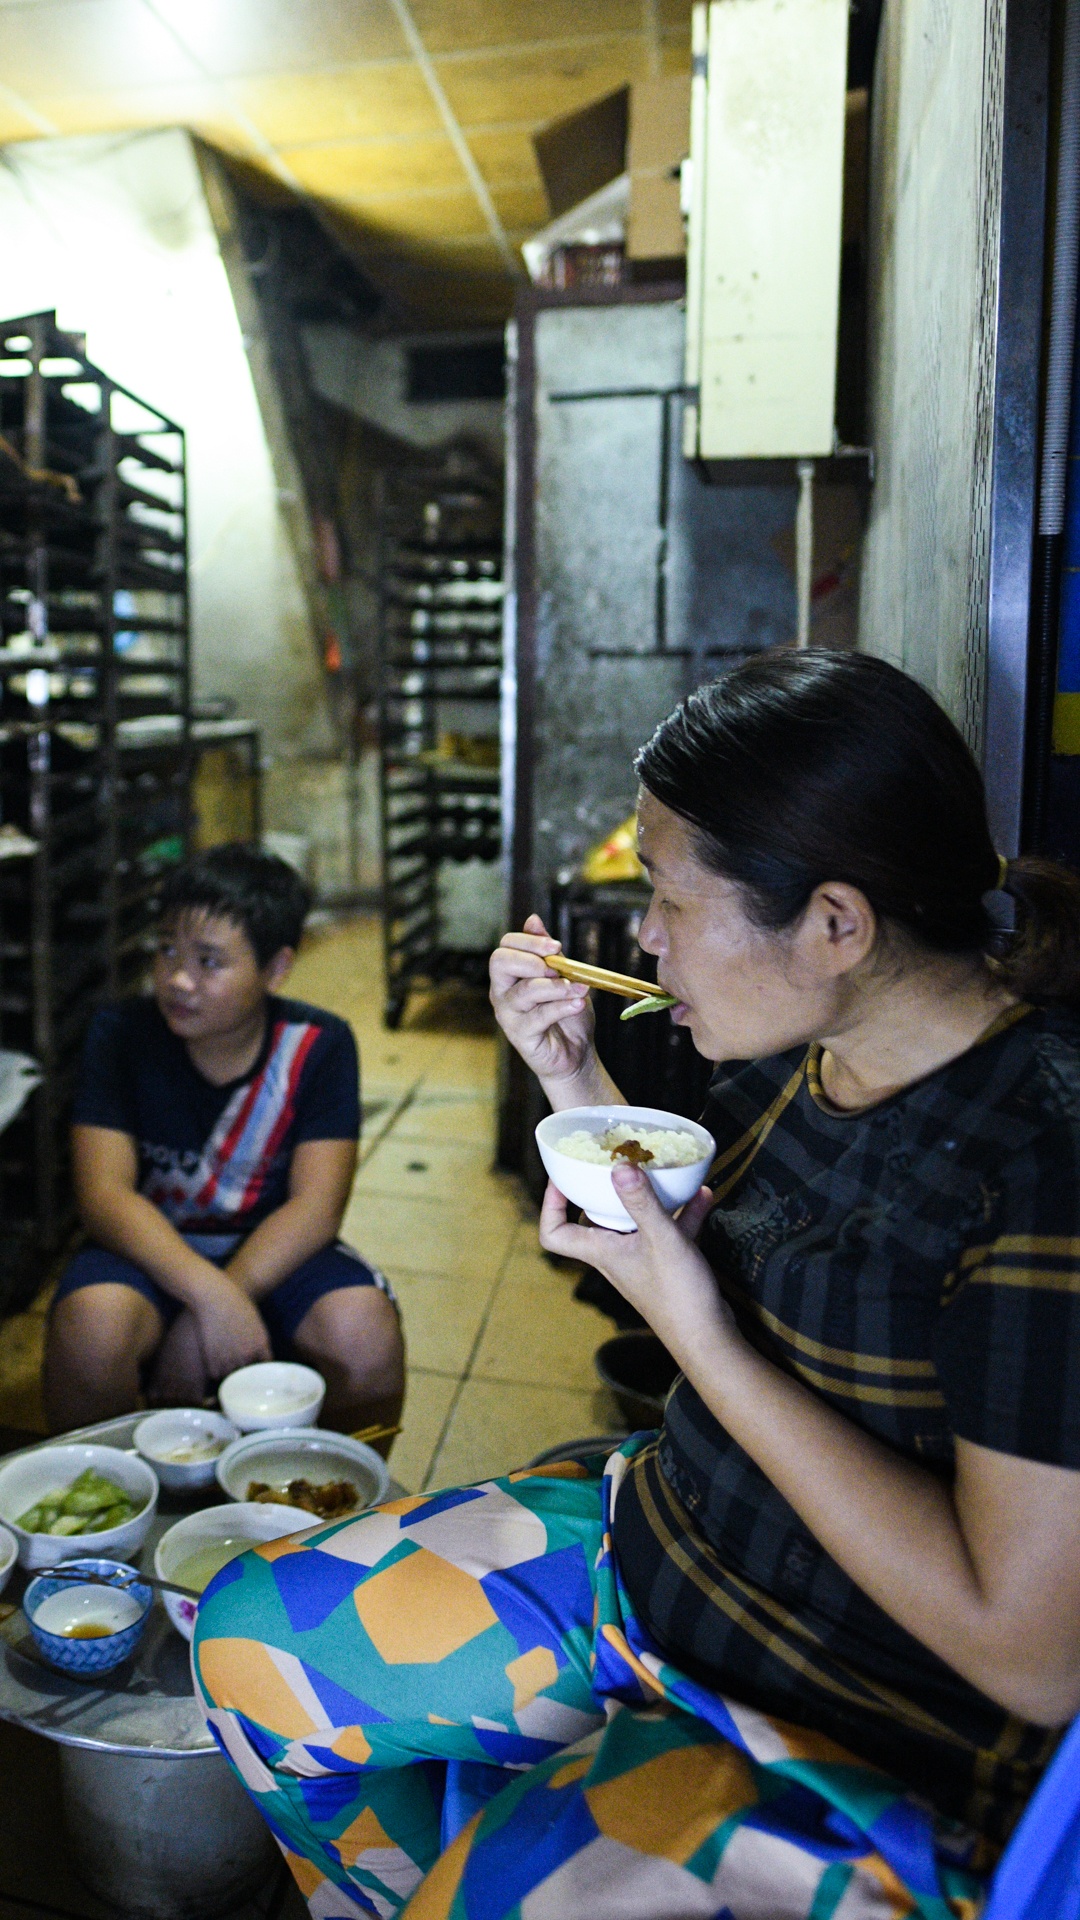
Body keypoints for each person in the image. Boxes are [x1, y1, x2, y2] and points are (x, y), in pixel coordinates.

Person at [192, 655, 1080, 1920]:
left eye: (665, 895)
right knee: (246, 1643)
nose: (646, 937)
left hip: (850, 1725)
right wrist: (572, 1079)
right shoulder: (808, 1052)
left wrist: (698, 1338)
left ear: (835, 923)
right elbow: (706, 1250)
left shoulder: (1040, 1157)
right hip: (661, 1552)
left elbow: (1032, 1654)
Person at [45, 843, 404, 1436]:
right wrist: (209, 1297)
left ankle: (343, 1520)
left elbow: (316, 1207)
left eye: (209, 961)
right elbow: (104, 1195)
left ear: (276, 969)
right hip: (147, 1246)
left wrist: (222, 1299)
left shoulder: (320, 1045)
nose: (177, 979)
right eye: (166, 950)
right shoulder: (121, 1034)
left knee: (363, 1330)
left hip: (272, 1249)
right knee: (92, 1328)